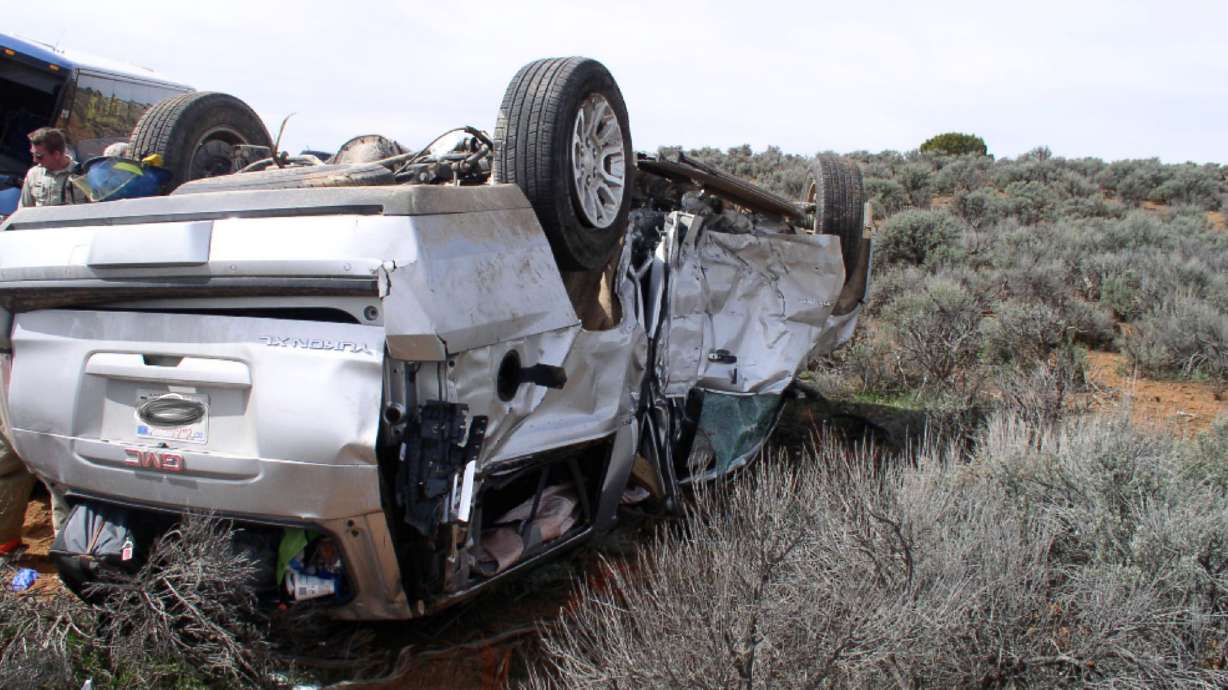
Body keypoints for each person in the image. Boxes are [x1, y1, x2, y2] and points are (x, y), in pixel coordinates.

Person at [0, 128, 84, 556]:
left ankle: (66, 549)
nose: (32, 156)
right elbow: (23, 218)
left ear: (57, 152)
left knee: (51, 463)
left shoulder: (81, 179)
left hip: (65, 269)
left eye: (37, 150)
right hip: (25, 353)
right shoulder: (33, 180)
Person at [18, 127, 87, 208]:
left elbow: (94, 209)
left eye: (39, 156)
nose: (34, 160)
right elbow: (24, 210)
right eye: (33, 154)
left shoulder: (83, 174)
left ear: (56, 154)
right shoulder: (33, 174)